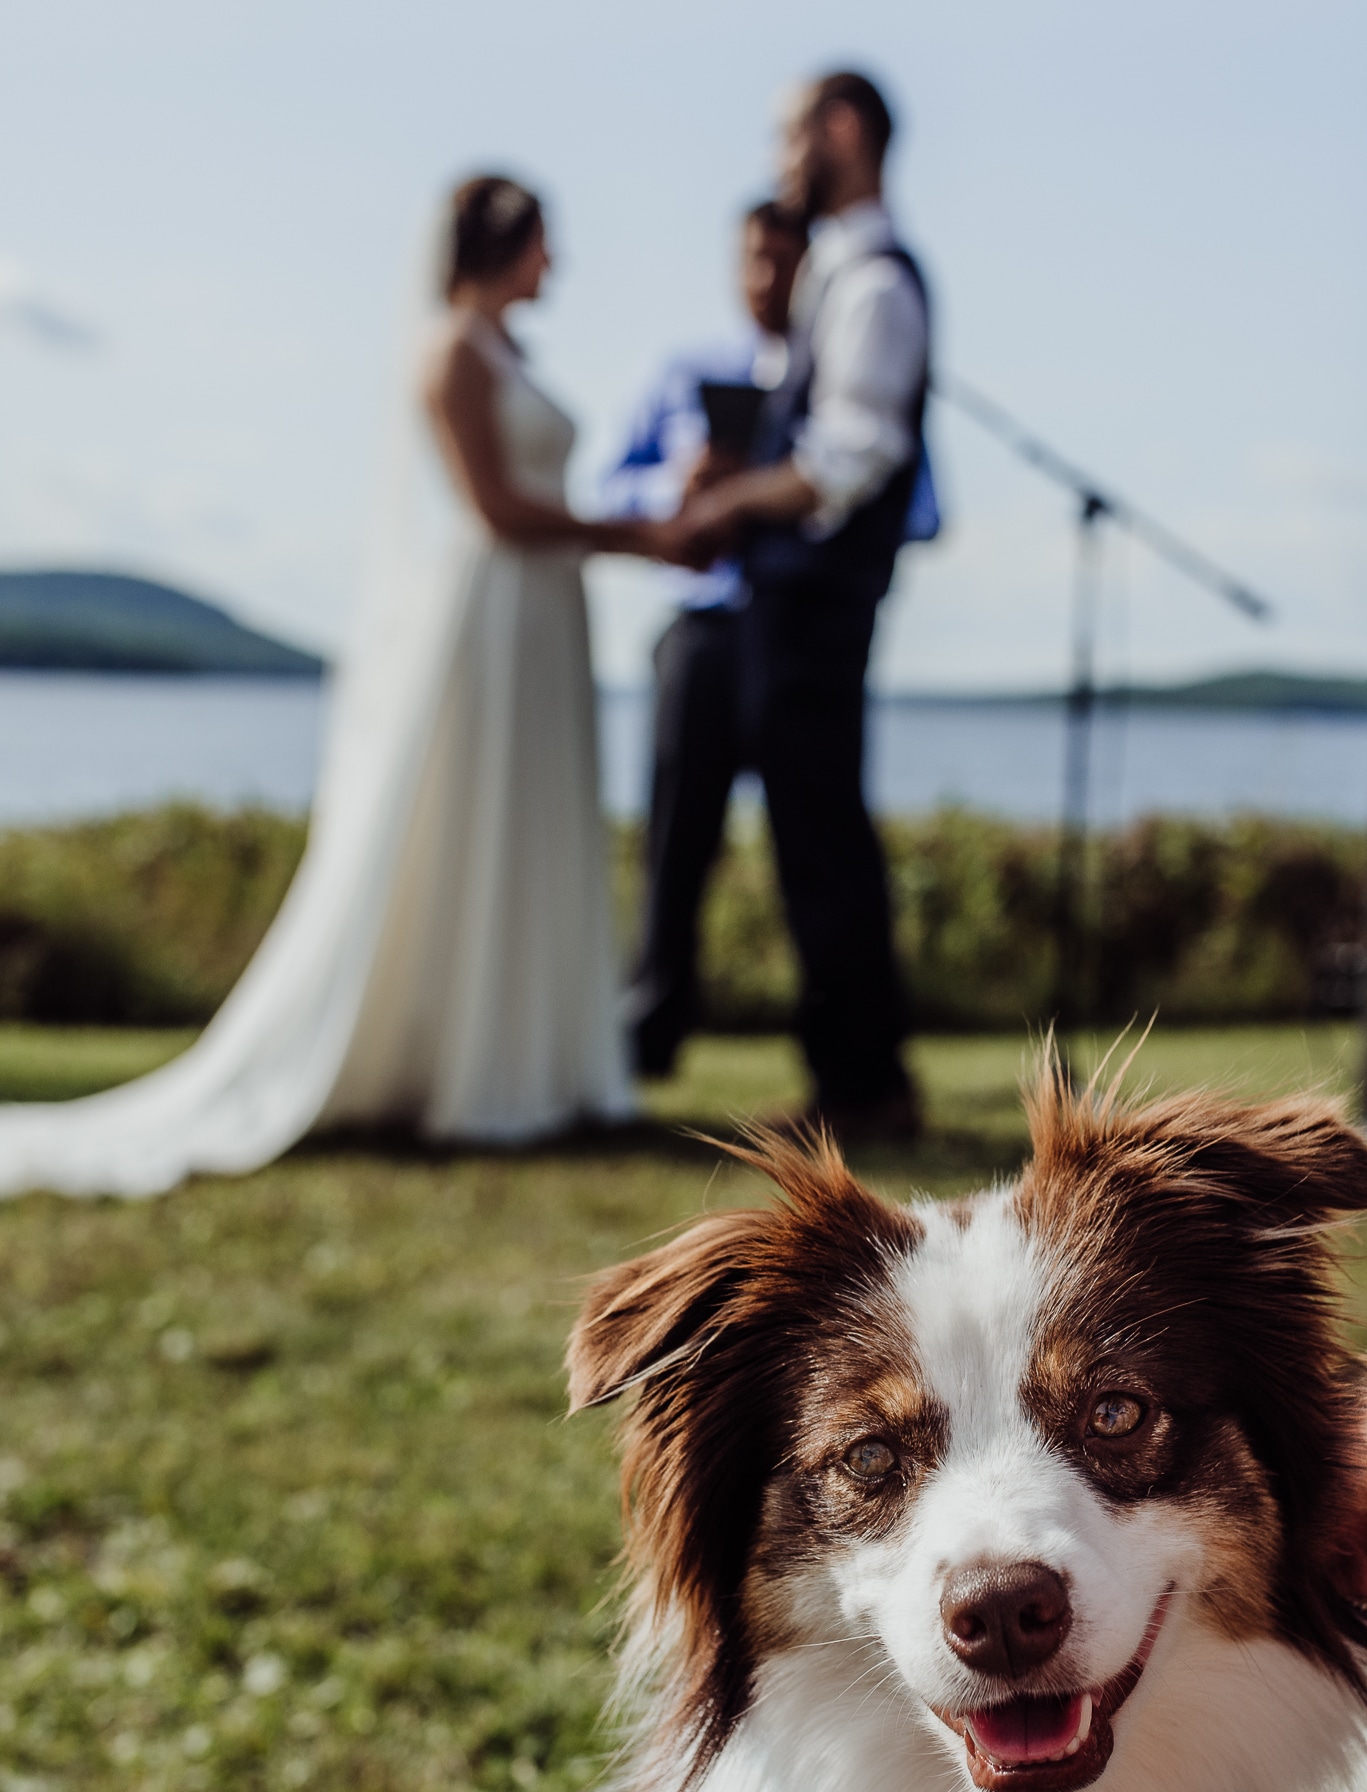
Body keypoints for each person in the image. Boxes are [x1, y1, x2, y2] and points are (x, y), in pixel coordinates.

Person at [0, 176, 674, 1197]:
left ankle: (533, 1060)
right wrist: (639, 534)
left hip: (543, 618)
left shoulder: (504, 352)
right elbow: (495, 506)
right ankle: (461, 1067)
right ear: (505, 244)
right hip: (491, 619)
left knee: (532, 825)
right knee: (474, 823)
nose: (557, 264)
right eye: (546, 243)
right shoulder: (449, 351)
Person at [678, 72, 933, 1141]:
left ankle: (858, 1084)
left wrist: (730, 498)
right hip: (795, 607)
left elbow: (849, 457)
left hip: (818, 607)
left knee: (821, 841)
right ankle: (853, 1074)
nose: (780, 154)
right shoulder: (837, 274)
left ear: (841, 129)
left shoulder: (872, 283)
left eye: (790, 132)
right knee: (809, 836)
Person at [602, 200, 809, 1078]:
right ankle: (649, 1031)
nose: (765, 280)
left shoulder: (845, 382)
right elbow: (608, 489)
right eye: (751, 260)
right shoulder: (684, 371)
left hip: (803, 632)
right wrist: (676, 488)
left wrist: (779, 492)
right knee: (675, 837)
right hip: (703, 626)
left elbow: (915, 507)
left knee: (813, 845)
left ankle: (834, 1053)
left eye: (783, 261)